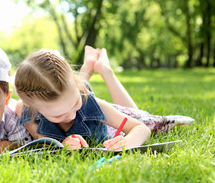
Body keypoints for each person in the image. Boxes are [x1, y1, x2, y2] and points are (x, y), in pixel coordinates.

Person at [14, 48, 152, 150]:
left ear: (77, 85)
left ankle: (105, 70)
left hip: (105, 118)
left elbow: (142, 128)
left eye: (74, 104)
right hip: (77, 93)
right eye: (58, 115)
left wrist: (127, 142)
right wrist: (62, 147)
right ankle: (87, 68)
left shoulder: (89, 102)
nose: (71, 115)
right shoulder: (26, 109)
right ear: (33, 107)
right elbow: (42, 142)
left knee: (142, 117)